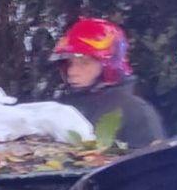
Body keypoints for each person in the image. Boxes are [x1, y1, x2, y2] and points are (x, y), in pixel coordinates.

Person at [52, 18, 166, 148]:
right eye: (69, 63)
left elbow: (153, 163)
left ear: (108, 65)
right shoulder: (65, 106)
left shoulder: (136, 111)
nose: (72, 71)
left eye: (84, 63)